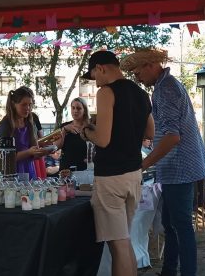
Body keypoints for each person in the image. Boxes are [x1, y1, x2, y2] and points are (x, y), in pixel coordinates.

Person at [120, 48, 205, 276]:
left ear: (150, 65)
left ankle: (187, 272)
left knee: (181, 227)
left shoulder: (166, 89)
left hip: (180, 167)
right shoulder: (164, 86)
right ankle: (170, 270)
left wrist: (143, 164)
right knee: (171, 225)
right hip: (175, 167)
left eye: (137, 71)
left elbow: (172, 136)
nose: (136, 77)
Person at [80, 50, 154, 276]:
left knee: (117, 244)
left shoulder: (106, 92)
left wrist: (86, 131)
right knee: (124, 241)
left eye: (94, 76)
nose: (95, 82)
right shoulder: (141, 93)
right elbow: (150, 131)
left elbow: (102, 139)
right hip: (133, 174)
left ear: (100, 68)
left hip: (111, 177)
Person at [0, 87, 49, 180]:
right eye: (24, 105)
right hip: (11, 174)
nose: (28, 108)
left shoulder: (30, 123)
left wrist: (44, 151)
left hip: (30, 171)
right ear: (13, 104)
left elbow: (34, 153)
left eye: (30, 105)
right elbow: (5, 158)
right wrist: (29, 152)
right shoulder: (5, 125)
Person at [54, 97, 90, 171]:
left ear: (84, 110)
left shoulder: (90, 127)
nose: (75, 111)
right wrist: (64, 130)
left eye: (78, 108)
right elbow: (56, 147)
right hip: (66, 169)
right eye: (73, 108)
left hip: (84, 168)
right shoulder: (64, 126)